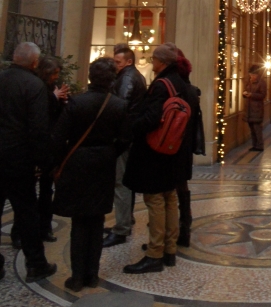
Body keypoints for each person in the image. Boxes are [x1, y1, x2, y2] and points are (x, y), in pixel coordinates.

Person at [52, 58, 127, 291]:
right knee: (97, 219)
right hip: (103, 163)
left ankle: (77, 277)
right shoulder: (119, 105)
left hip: (78, 162)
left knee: (79, 221)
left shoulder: (76, 103)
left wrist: (59, 161)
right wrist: (109, 152)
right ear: (112, 80)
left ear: (90, 77)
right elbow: (126, 138)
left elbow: (58, 136)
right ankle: (92, 275)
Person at [123, 44, 189, 274]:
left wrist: (131, 126)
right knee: (170, 197)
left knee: (155, 200)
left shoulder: (162, 84)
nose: (152, 62)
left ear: (162, 62)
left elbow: (151, 118)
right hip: (173, 149)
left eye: (154, 59)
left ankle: (154, 254)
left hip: (155, 151)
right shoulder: (181, 82)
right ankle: (169, 249)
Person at [0, 42, 56, 283]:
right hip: (19, 159)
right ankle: (36, 264)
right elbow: (38, 129)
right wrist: (41, 162)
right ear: (35, 62)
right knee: (27, 212)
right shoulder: (34, 85)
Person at [103, 44, 146, 248]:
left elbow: (120, 105)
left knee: (120, 182)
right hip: (131, 135)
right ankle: (126, 219)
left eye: (117, 62)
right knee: (125, 180)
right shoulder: (134, 75)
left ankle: (121, 228)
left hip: (124, 136)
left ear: (128, 62)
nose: (115, 65)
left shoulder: (127, 78)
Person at [169, 45, 201, 248]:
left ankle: (170, 231)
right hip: (185, 144)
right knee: (181, 186)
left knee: (168, 188)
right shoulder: (190, 90)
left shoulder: (171, 89)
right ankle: (184, 226)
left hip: (171, 144)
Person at [36, 57, 68, 242]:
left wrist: (62, 100)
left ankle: (45, 227)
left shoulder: (51, 88)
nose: (56, 77)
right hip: (39, 145)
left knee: (47, 190)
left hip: (50, 146)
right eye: (54, 73)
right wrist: (55, 98)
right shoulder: (39, 88)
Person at [243, 65, 266, 151]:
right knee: (252, 129)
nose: (251, 77)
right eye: (250, 75)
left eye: (253, 75)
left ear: (257, 75)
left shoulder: (261, 83)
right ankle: (254, 145)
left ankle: (259, 145)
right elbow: (246, 90)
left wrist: (252, 95)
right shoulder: (249, 82)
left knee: (257, 129)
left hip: (256, 109)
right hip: (249, 108)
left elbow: (262, 95)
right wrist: (244, 94)